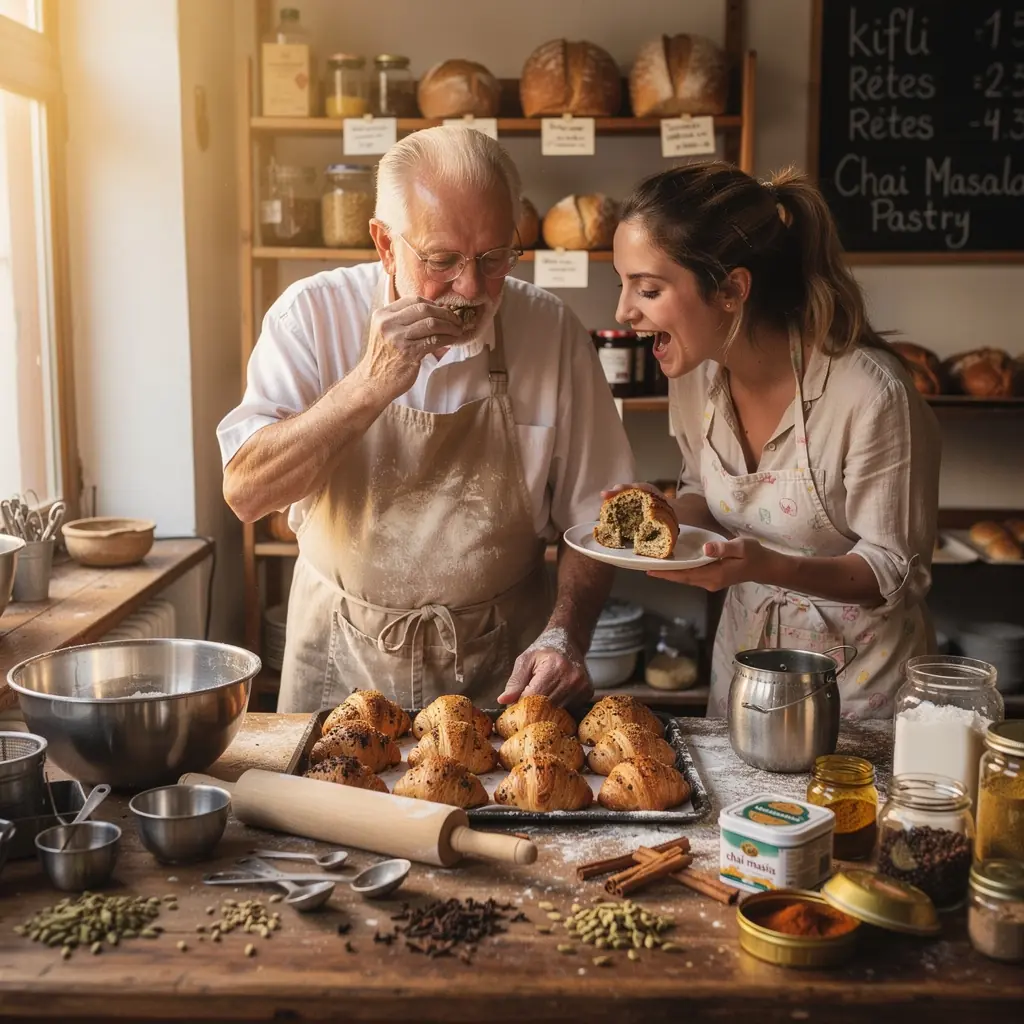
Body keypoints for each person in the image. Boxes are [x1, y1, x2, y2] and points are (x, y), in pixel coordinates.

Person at [219, 126, 634, 712]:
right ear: (386, 244)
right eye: (442, 260)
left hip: (504, 673)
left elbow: (595, 519)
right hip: (339, 664)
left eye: (494, 258)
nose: (470, 287)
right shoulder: (310, 316)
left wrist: (567, 632)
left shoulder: (550, 330)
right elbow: (248, 493)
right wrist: (368, 384)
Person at [610, 161, 940, 720]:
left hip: (856, 694)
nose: (623, 311)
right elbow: (703, 492)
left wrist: (764, 566)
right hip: (745, 675)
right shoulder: (695, 377)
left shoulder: (870, 393)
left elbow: (893, 570)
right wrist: (665, 515)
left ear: (732, 290)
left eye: (647, 288)